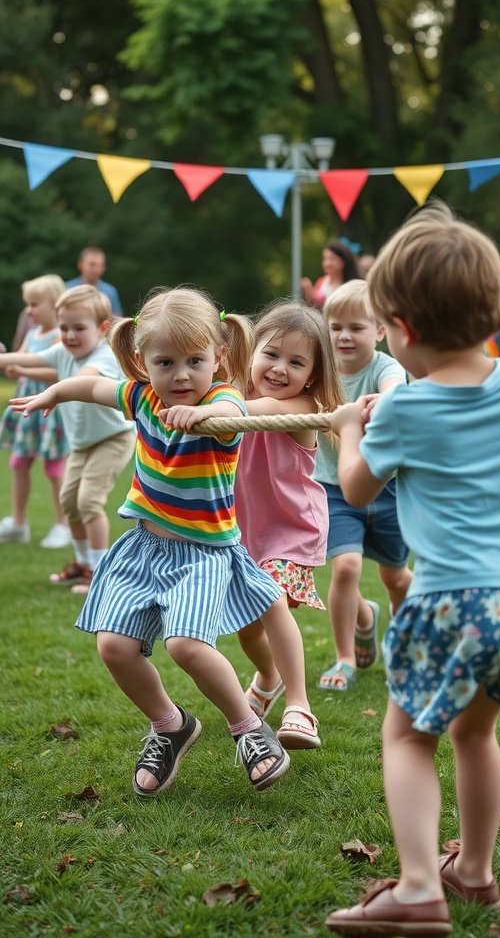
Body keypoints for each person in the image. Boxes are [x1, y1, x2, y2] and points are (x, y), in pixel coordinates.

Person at [325, 202, 500, 937]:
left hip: (453, 602)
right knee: (474, 734)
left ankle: (418, 887)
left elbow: (357, 490)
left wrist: (348, 428)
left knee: (408, 737)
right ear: (492, 307)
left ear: (399, 328)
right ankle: (475, 872)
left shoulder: (407, 410)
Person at [10, 286, 291, 796]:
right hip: (144, 547)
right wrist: (55, 391)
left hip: (204, 554)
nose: (181, 375)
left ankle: (248, 729)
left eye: (194, 360)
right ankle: (170, 725)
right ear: (142, 361)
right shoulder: (141, 394)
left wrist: (203, 416)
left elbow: (236, 417)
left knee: (186, 645)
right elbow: (94, 390)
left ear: (218, 357)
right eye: (165, 362)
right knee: (114, 646)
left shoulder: (221, 399)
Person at [233, 300, 344, 747]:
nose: (280, 369)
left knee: (270, 604)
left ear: (312, 375)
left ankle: (299, 707)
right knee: (247, 627)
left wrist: (218, 407)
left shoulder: (303, 406)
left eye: (296, 362)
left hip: (291, 528)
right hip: (244, 531)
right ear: (252, 352)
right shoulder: (236, 396)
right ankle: (267, 677)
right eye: (271, 355)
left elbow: (254, 412)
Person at [0, 285, 136, 593]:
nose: (70, 335)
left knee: (88, 501)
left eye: (79, 328)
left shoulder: (105, 355)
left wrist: (51, 392)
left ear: (102, 329)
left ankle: (100, 573)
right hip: (81, 444)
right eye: (64, 328)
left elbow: (80, 381)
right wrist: (8, 361)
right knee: (69, 502)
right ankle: (83, 564)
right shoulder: (63, 350)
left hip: (112, 439)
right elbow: (31, 358)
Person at [314, 280, 412, 692]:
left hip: (386, 489)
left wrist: (382, 401)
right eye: (335, 327)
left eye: (356, 327)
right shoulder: (319, 373)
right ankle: (345, 656)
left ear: (380, 331)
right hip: (333, 489)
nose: (343, 336)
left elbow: (395, 389)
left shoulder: (384, 367)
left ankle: (401, 643)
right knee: (346, 567)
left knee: (397, 579)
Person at [0, 274, 70, 548]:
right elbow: (17, 361)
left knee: (54, 469)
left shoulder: (61, 337)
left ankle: (62, 525)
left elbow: (56, 370)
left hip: (49, 411)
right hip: (25, 409)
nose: (28, 310)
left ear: (53, 305)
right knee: (19, 463)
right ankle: (18, 524)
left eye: (34, 304)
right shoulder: (31, 334)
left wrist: (23, 369)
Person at [300, 238, 361, 309]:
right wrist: (308, 293)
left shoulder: (351, 287)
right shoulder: (321, 282)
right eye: (324, 259)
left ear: (343, 262)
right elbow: (314, 309)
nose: (327, 263)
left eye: (331, 259)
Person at [66, 245, 123, 316]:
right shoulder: (68, 289)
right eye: (92, 264)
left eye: (101, 265)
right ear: (80, 265)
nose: (97, 269)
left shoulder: (110, 292)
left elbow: (117, 320)